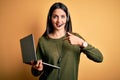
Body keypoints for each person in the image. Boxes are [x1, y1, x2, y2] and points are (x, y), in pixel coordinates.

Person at [31, 2, 103, 80]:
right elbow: (35, 73)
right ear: (50, 18)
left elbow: (99, 58)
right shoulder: (43, 41)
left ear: (67, 18)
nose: (59, 21)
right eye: (55, 17)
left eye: (62, 16)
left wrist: (81, 43)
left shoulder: (76, 38)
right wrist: (37, 69)